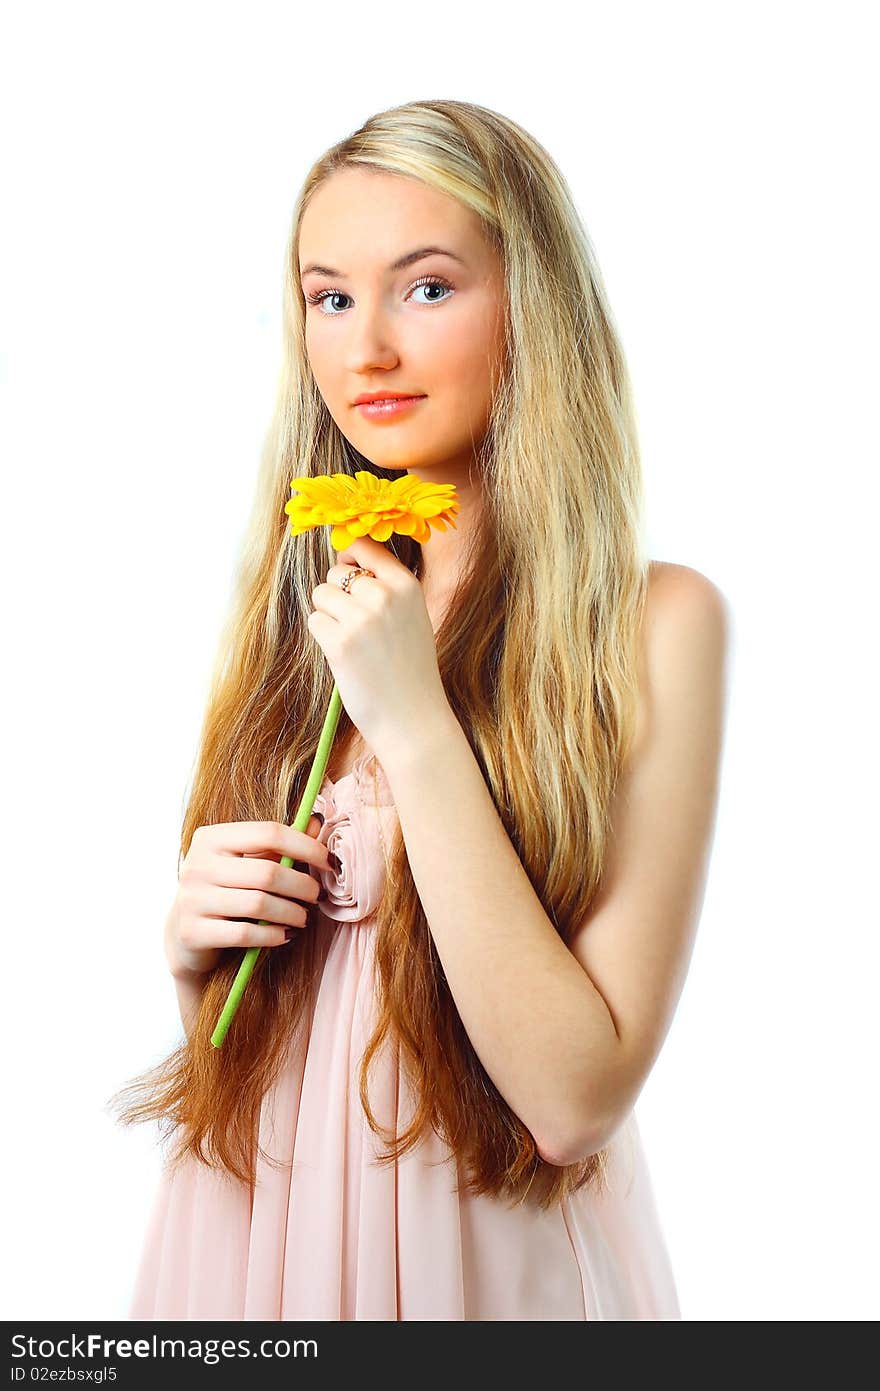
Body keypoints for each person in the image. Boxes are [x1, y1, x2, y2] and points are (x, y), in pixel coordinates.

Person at [111, 97, 729, 1321]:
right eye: (329, 297)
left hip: (476, 1253)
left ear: (532, 306)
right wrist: (198, 959)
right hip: (247, 1236)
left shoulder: (657, 622)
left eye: (427, 287)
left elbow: (571, 1100)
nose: (366, 349)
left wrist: (412, 722)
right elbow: (262, 1054)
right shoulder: (306, 606)